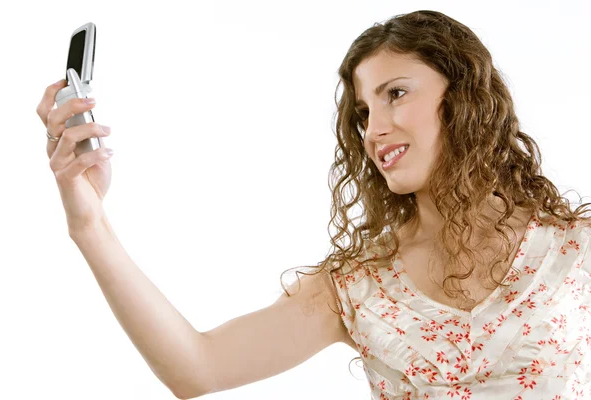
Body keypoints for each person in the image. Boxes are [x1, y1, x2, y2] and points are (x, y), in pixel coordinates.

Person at [37, 9, 591, 400]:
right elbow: (195, 368)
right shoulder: (360, 285)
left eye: (395, 93)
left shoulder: (577, 247)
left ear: (466, 94)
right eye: (362, 113)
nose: (375, 130)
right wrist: (89, 223)